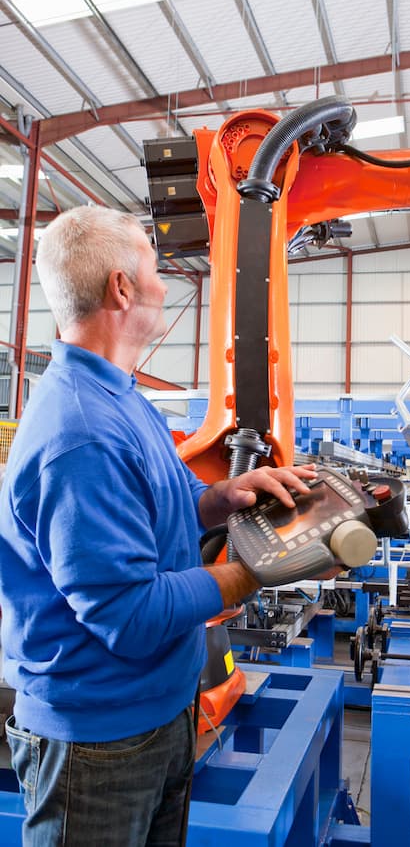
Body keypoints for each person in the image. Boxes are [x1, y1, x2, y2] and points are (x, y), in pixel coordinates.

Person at [0, 205, 319, 846]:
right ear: (122, 287)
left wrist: (224, 496)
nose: (165, 284)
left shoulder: (121, 397)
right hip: (99, 745)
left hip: (157, 714)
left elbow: (161, 502)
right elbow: (129, 613)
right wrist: (256, 571)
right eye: (154, 267)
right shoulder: (81, 432)